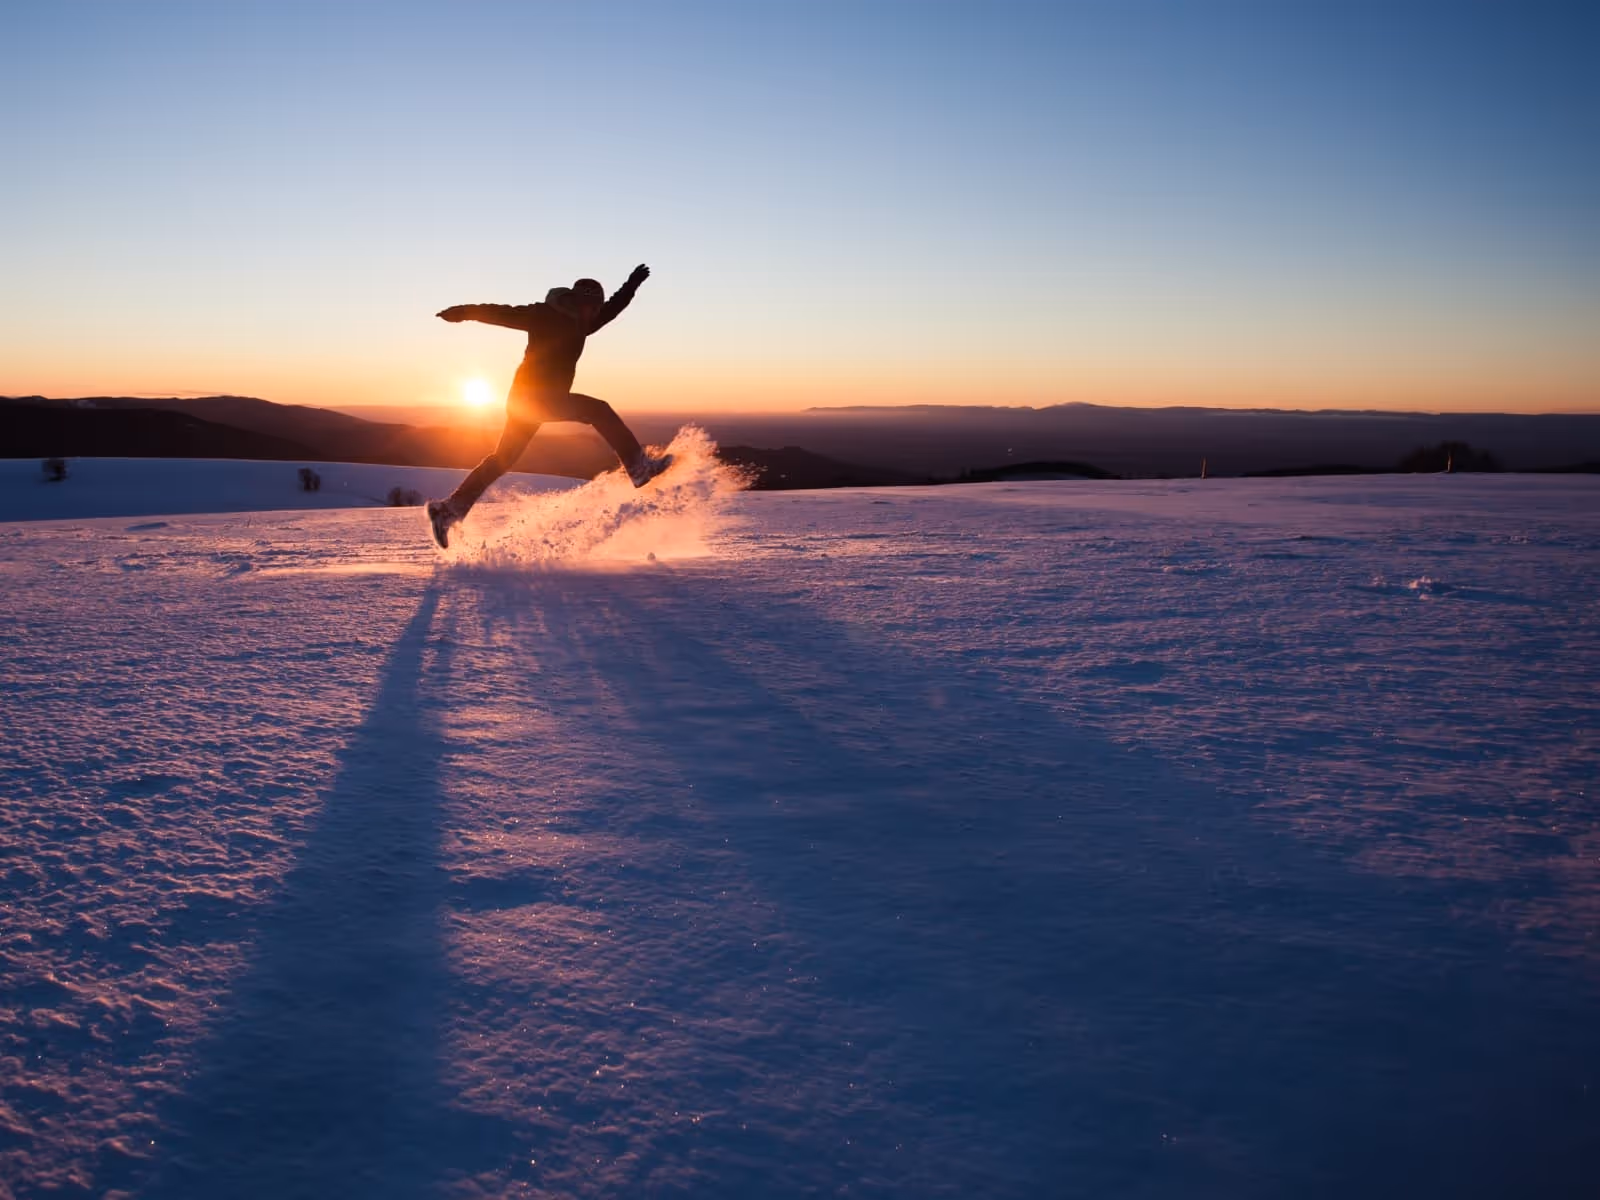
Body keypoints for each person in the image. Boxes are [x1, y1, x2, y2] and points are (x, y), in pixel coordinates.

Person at [425, 263, 672, 549]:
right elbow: (500, 312)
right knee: (599, 410)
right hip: (533, 398)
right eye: (590, 306)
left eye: (596, 308)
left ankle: (449, 510)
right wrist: (463, 313)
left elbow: (614, 307)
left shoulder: (585, 321)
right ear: (579, 301)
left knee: (503, 458)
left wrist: (632, 283)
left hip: (527, 402)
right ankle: (639, 467)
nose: (594, 313)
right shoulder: (544, 314)